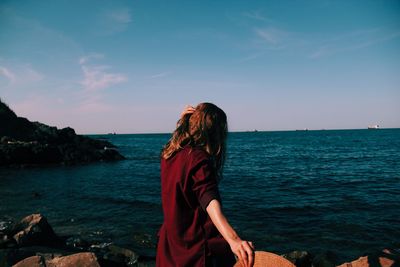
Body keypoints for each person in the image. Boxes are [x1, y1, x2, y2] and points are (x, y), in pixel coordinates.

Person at [156, 103, 254, 267]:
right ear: (216, 133)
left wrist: (183, 122)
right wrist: (234, 240)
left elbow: (176, 140)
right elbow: (209, 199)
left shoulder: (169, 155)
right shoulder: (199, 159)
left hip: (171, 248)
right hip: (197, 252)